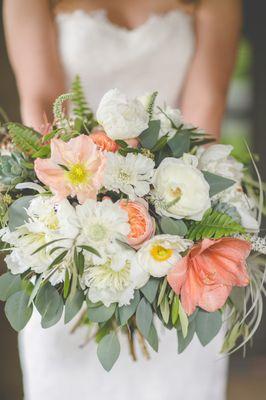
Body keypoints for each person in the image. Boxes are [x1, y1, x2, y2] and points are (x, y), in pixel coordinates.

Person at [3, 1, 242, 399]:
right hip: (69, 232)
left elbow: (205, 119)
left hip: (176, 226)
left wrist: (160, 223)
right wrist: (81, 217)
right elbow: (42, 106)